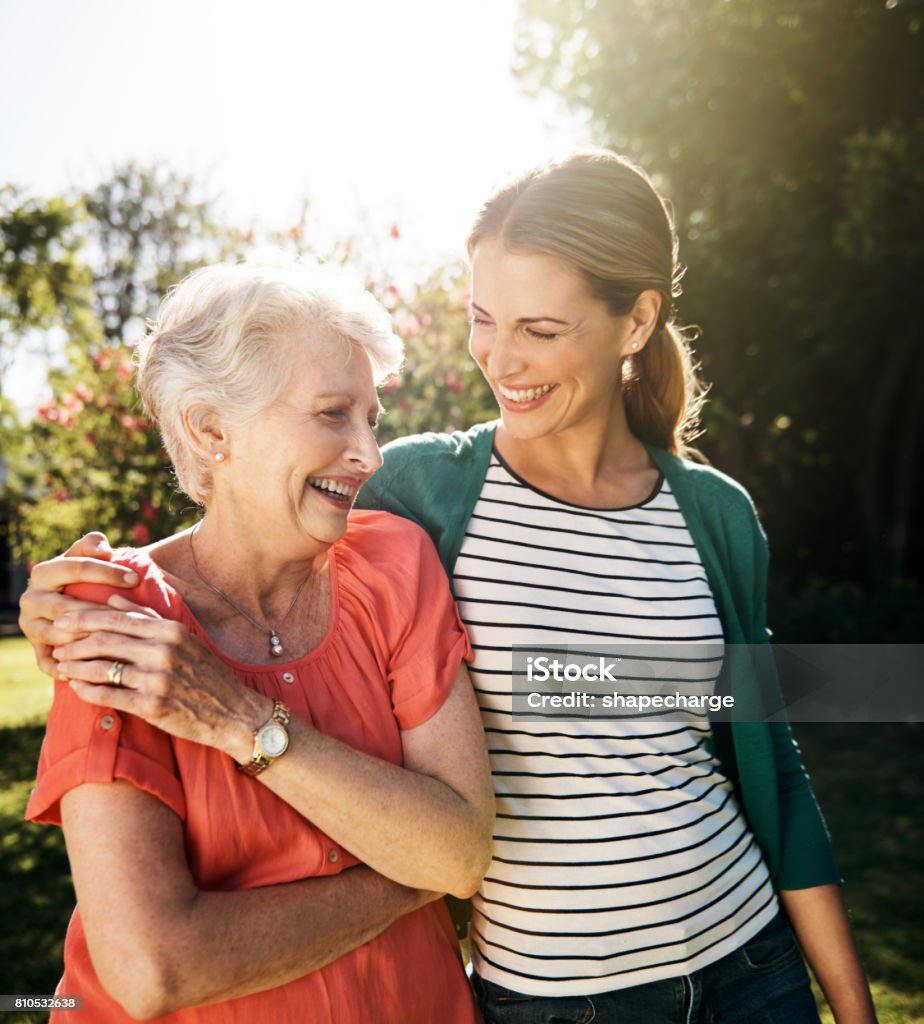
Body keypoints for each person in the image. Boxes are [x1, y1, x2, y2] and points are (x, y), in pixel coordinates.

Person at [20, 151, 877, 1024]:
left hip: (750, 961)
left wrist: (851, 1003)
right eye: (482, 319)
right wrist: (87, 587)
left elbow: (771, 762)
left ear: (636, 321)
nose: (501, 360)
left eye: (541, 329)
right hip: (554, 1001)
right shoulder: (424, 494)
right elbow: (245, 516)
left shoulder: (715, 516)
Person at [20, 258, 495, 1023]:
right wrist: (409, 873)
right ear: (211, 430)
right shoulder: (116, 613)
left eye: (371, 419)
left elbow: (461, 849)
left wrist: (237, 720)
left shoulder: (394, 564)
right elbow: (154, 968)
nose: (370, 455)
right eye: (332, 413)